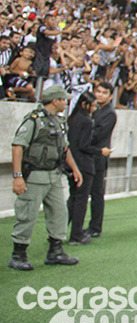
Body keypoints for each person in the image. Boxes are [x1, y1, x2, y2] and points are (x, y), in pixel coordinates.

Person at [9, 85, 83, 270]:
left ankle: (55, 251)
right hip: (35, 175)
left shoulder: (58, 121)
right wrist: (17, 176)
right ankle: (18, 254)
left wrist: (74, 168)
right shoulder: (34, 120)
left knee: (59, 213)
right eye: (63, 99)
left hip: (54, 175)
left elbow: (64, 148)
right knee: (27, 215)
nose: (66, 103)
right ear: (55, 100)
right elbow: (18, 145)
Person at [66, 91, 110, 245]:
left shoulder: (72, 119)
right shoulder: (86, 121)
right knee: (81, 200)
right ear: (85, 105)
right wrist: (100, 152)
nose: (94, 108)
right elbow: (84, 146)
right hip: (83, 164)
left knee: (73, 198)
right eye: (92, 106)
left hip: (71, 163)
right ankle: (76, 234)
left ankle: (58, 231)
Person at [87, 81, 116, 237]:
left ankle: (95, 227)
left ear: (110, 96)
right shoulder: (94, 109)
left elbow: (98, 135)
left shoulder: (109, 113)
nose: (100, 95)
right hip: (89, 155)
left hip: (99, 157)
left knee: (97, 194)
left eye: (104, 93)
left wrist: (82, 140)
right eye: (98, 91)